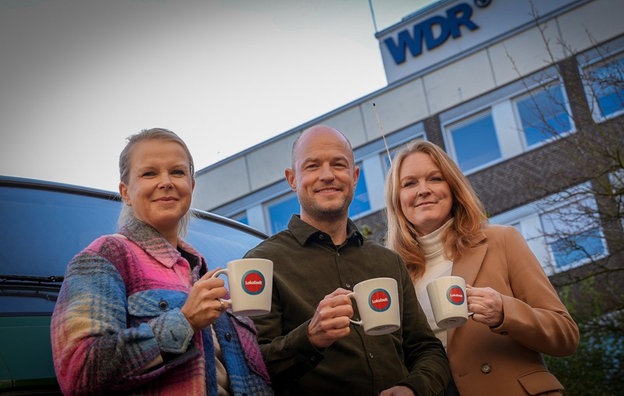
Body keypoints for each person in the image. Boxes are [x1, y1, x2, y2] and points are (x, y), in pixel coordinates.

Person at [50, 128, 273, 395]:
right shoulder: (107, 255)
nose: (166, 181)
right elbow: (80, 372)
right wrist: (185, 321)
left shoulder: (207, 275)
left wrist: (309, 339)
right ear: (126, 192)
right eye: (149, 173)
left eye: (177, 172)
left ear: (191, 185)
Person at [244, 125, 451, 395]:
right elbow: (251, 366)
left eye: (338, 165)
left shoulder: (388, 262)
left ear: (354, 176)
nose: (327, 175)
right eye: (313, 166)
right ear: (292, 179)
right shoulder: (261, 264)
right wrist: (309, 337)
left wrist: (413, 388)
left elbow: (427, 349)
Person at [384, 140, 579, 395]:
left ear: (452, 188)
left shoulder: (502, 240)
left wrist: (503, 312)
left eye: (435, 178)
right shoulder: (392, 274)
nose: (423, 190)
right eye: (409, 183)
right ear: (397, 200)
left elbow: (565, 334)